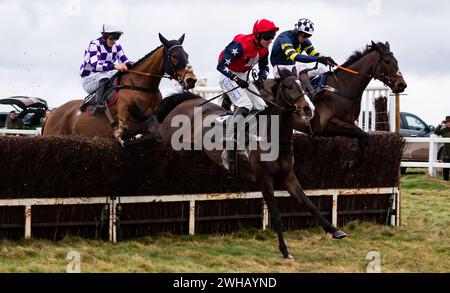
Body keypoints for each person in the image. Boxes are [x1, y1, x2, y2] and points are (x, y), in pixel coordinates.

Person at [217, 19, 279, 143]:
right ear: (257, 35)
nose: (271, 40)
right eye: (268, 37)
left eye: (272, 36)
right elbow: (220, 66)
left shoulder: (264, 49)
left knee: (261, 106)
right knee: (245, 104)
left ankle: (242, 132)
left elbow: (264, 67)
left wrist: (261, 79)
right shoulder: (241, 44)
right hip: (227, 74)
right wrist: (236, 79)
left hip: (243, 75)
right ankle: (230, 135)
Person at [270, 18, 337, 98]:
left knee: (321, 70)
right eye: (304, 35)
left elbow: (313, 53)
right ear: (297, 31)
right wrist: (318, 59)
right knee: (302, 67)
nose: (305, 38)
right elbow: (293, 56)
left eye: (308, 36)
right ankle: (311, 94)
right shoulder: (285, 37)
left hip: (293, 70)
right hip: (280, 69)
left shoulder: (305, 41)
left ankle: (324, 90)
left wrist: (326, 59)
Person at [79, 23, 134, 113]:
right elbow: (96, 65)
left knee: (121, 73)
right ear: (105, 36)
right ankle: (98, 103)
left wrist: (136, 65)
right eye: (111, 38)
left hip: (105, 77)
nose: (113, 41)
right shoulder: (94, 44)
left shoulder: (117, 46)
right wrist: (115, 66)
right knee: (105, 74)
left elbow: (125, 61)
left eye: (116, 38)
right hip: (89, 80)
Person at [435, 115, 450, 181]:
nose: (449, 123)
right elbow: (436, 132)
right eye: (447, 122)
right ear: (445, 123)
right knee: (446, 168)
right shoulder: (444, 130)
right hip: (446, 152)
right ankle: (445, 181)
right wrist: (440, 124)